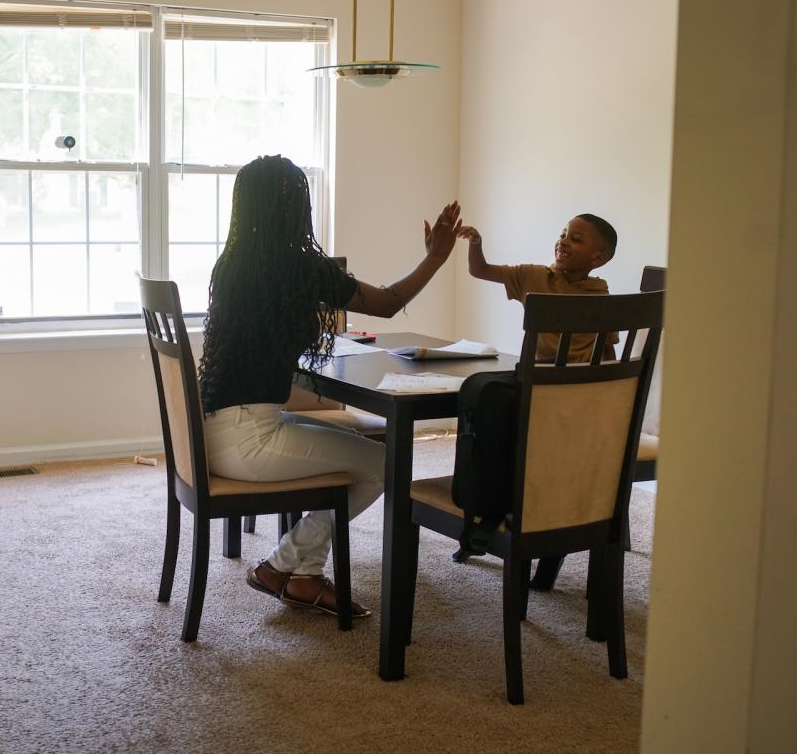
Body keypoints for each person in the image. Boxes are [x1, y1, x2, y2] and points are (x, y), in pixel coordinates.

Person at [199, 154, 462, 619]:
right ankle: (281, 566)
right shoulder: (300, 268)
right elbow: (385, 304)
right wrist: (436, 258)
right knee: (383, 462)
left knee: (354, 446)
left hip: (217, 432)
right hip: (251, 442)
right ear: (296, 207)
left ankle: (304, 576)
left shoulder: (232, 265)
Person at [458, 213, 620, 362]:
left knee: (479, 385)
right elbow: (480, 270)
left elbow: (605, 348)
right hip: (582, 384)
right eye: (562, 235)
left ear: (597, 258)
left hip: (539, 381)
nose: (562, 242)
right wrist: (476, 243)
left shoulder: (600, 297)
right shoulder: (532, 275)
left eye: (575, 239)